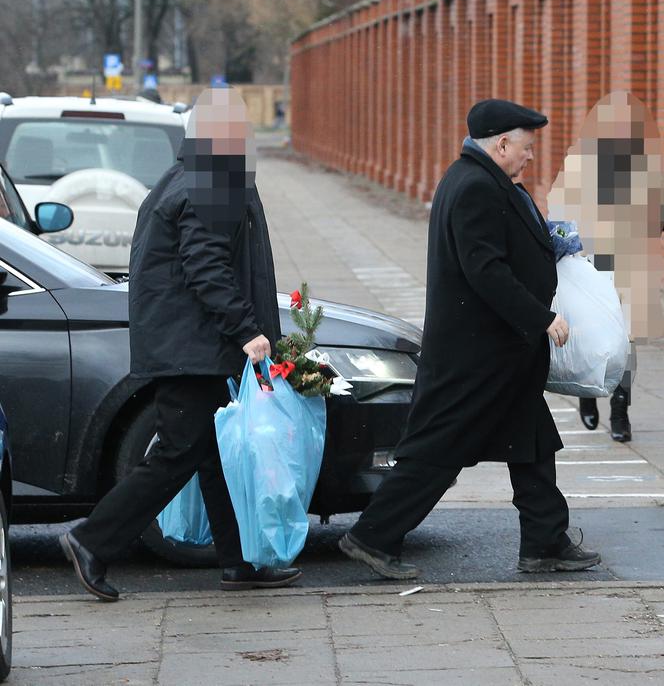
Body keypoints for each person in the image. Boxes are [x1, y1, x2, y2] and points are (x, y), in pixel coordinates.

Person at [339, 98, 601, 580]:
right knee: (439, 448)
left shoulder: (484, 180)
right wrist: (541, 317)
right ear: (501, 143)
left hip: (501, 353)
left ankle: (545, 543)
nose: (530, 156)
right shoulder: (476, 186)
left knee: (533, 443)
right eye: (526, 146)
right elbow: (485, 269)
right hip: (477, 355)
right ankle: (372, 536)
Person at [60, 87, 301, 601]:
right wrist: (248, 331)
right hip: (192, 346)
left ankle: (238, 563)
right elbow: (206, 267)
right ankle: (90, 540)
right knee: (177, 453)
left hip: (186, 342)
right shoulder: (214, 179)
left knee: (211, 455)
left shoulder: (187, 174)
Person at [547, 91, 664, 443]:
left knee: (625, 343)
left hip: (632, 268)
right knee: (592, 333)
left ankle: (620, 411)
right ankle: (587, 392)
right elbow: (560, 218)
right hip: (590, 268)